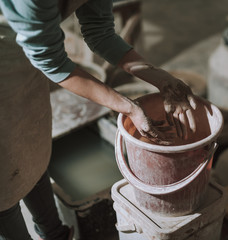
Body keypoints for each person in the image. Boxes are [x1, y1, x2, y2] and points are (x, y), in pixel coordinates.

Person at [0, 0, 197, 239]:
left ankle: (55, 234)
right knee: (5, 186)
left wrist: (161, 78)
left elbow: (100, 33)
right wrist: (129, 107)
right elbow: (51, 62)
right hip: (8, 64)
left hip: (30, 65)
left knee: (32, 152)